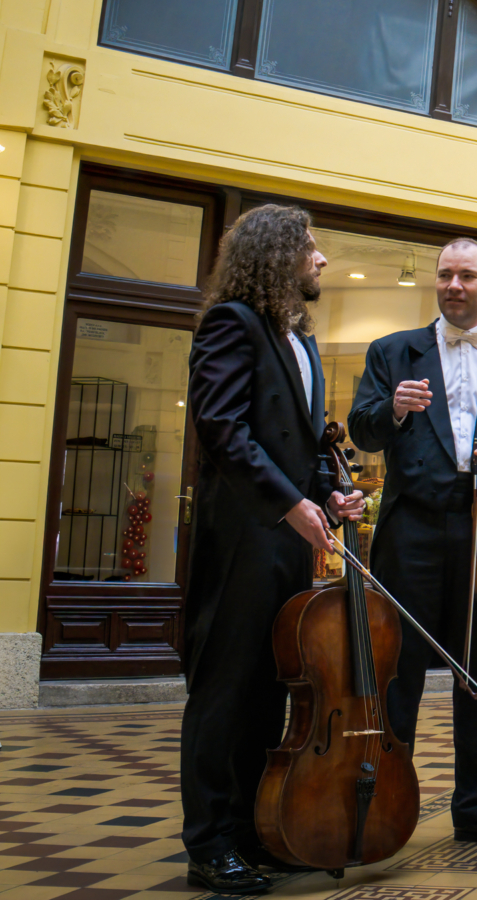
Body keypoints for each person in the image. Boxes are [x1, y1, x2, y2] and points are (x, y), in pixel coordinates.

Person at [179, 205, 364, 895]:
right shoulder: (232, 323)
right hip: (241, 538)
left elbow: (303, 448)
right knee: (225, 689)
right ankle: (210, 843)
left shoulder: (302, 339)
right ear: (276, 253)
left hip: (285, 541)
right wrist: (291, 503)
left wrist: (330, 494)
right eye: (309, 246)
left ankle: (257, 829)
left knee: (270, 688)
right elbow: (222, 428)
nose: (321, 258)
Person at [346, 238, 477, 850]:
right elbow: (362, 430)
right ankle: (382, 807)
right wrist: (393, 410)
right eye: (444, 275)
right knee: (398, 671)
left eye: (466, 276)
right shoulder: (392, 351)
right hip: (410, 529)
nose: (454, 286)